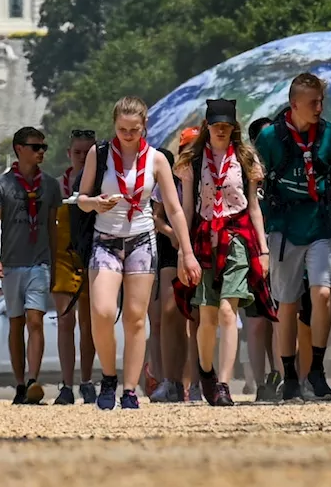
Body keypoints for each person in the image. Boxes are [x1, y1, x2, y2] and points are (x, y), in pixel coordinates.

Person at [76, 97, 199, 410]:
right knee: (102, 312)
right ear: (114, 126)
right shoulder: (99, 153)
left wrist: (187, 252)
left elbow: (174, 208)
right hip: (105, 238)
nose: (127, 135)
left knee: (135, 318)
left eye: (134, 129)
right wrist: (95, 203)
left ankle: (130, 389)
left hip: (142, 240)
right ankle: (108, 376)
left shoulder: (156, 159)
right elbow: (81, 199)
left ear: (145, 127)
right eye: (121, 129)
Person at [255, 73, 331, 401]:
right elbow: (254, 186)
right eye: (313, 102)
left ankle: (316, 369)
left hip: (321, 224)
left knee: (322, 295)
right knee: (288, 303)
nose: (319, 107)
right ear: (294, 103)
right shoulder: (270, 138)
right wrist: (261, 238)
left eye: (321, 101)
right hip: (285, 227)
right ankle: (289, 374)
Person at [173, 100, 274, 407]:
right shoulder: (192, 160)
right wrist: (183, 251)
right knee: (207, 314)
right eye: (215, 125)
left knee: (230, 312)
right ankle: (206, 369)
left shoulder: (245, 159)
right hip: (204, 238)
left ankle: (224, 384)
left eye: (225, 126)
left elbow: (254, 207)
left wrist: (264, 249)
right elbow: (187, 208)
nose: (220, 130)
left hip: (237, 239)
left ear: (233, 128)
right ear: (207, 126)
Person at [0, 126, 59, 405]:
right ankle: (19, 382)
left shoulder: (50, 185)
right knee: (15, 323)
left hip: (39, 262)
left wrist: (55, 262)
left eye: (44, 147)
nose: (41, 152)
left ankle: (33, 379)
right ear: (19, 149)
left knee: (35, 320)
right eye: (35, 147)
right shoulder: (2, 185)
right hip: (12, 263)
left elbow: (53, 227)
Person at [150, 131, 197, 404]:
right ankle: (171, 381)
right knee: (171, 313)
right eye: (186, 148)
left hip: (200, 244)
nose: (190, 154)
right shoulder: (170, 177)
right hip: (170, 247)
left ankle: (198, 381)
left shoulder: (207, 175)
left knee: (197, 317)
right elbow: (155, 216)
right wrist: (172, 235)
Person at [53, 129, 97, 405]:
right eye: (77, 152)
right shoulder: (57, 185)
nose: (82, 157)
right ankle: (66, 384)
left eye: (87, 152)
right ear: (69, 154)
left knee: (89, 324)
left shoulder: (100, 185)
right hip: (61, 257)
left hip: (91, 255)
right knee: (64, 321)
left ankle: (87, 380)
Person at [242, 116, 281, 401]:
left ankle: (282, 377)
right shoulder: (244, 170)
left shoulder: (285, 164)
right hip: (251, 249)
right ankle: (259, 383)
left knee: (280, 318)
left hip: (282, 247)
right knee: (255, 323)